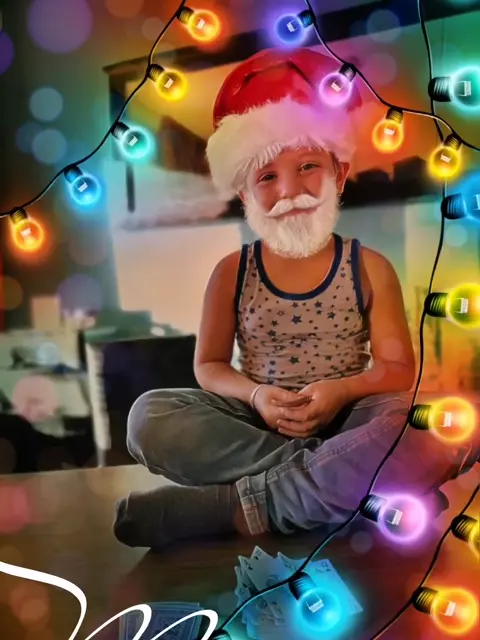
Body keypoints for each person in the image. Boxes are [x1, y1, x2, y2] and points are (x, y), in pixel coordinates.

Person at [113, 48, 478, 549]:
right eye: (266, 177)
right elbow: (209, 366)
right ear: (245, 194)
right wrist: (257, 397)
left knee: (449, 424)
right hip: (256, 423)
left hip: (352, 422)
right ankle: (350, 492)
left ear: (339, 174)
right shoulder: (231, 271)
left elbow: (397, 369)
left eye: (308, 166)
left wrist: (341, 391)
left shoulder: (369, 265)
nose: (289, 190)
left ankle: (238, 506)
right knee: (149, 417)